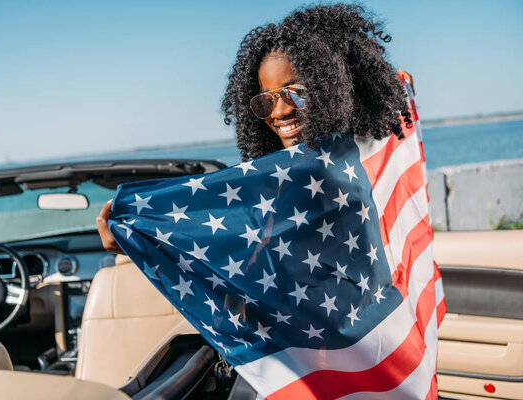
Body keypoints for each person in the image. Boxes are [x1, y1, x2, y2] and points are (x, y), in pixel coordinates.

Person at [97, 4, 412, 254]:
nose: (281, 110)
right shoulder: (311, 174)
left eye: (297, 92)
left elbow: (248, 260)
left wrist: (136, 240)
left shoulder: (324, 179)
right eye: (266, 100)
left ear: (333, 89)